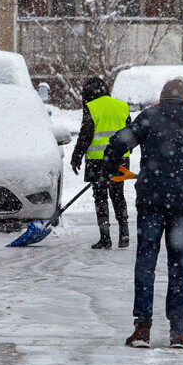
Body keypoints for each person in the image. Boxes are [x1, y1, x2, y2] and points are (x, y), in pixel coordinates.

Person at [102, 77, 183, 348]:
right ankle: (177, 332)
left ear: (163, 97)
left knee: (146, 262)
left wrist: (110, 168)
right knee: (179, 265)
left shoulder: (150, 116)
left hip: (151, 202)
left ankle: (142, 328)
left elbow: (118, 142)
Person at [71, 77, 131, 249]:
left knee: (100, 197)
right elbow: (131, 130)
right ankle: (124, 234)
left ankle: (105, 237)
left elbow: (85, 135)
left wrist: (76, 157)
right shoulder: (122, 106)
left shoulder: (92, 107)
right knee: (118, 195)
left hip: (97, 161)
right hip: (120, 158)